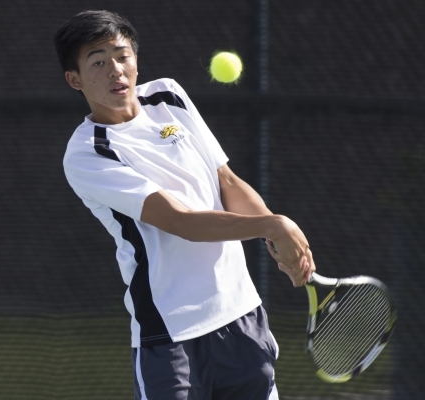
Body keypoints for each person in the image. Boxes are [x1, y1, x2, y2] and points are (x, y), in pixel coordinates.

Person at [54, 10, 315, 400]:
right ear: (74, 79)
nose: (116, 71)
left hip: (242, 316)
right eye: (98, 61)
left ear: (136, 61)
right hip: (170, 334)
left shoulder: (169, 95)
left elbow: (226, 181)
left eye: (122, 56)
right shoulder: (88, 153)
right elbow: (180, 221)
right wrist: (273, 225)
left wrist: (276, 237)